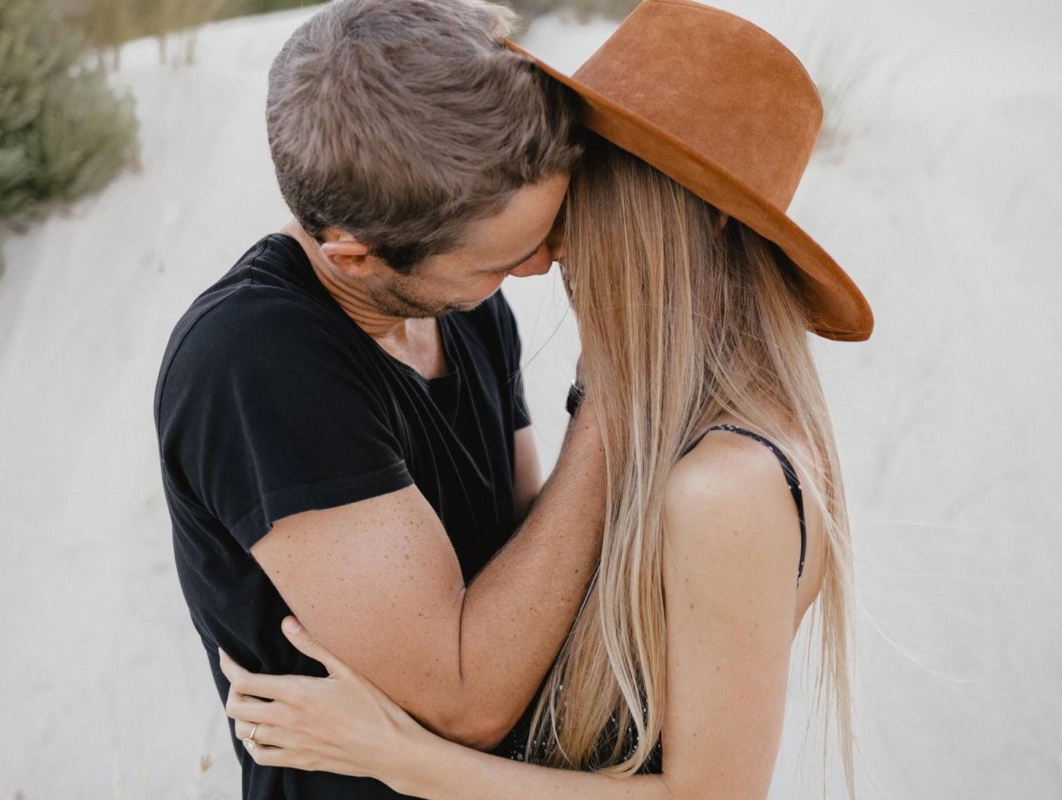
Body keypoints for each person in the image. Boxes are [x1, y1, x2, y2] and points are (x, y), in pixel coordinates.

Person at [216, 1, 875, 798]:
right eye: (517, 247)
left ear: (642, 235)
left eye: (559, 224)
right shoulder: (265, 351)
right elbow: (539, 585)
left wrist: (396, 752)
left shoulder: (724, 481)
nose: (535, 266)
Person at [153, 1, 614, 798]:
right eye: (501, 260)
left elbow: (537, 555)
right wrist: (613, 401)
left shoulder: (456, 303)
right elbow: (467, 698)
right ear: (354, 257)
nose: (542, 265)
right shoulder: (254, 360)